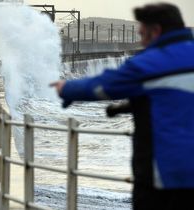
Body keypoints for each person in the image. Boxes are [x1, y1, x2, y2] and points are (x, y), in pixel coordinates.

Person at [51, 3, 194, 210]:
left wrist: (66, 89)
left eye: (142, 34)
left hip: (164, 175)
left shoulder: (149, 64)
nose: (141, 42)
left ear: (156, 31)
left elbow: (103, 86)